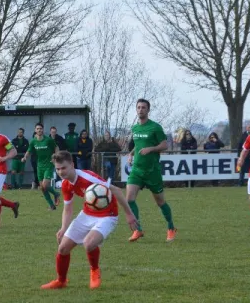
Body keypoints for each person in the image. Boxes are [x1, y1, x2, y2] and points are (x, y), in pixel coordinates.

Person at [40, 151, 138, 290]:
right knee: (62, 248)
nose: (61, 172)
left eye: (64, 168)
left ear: (72, 165)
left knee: (89, 243)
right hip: (87, 214)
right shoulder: (66, 184)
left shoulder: (88, 178)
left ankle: (94, 271)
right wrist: (63, 228)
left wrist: (129, 214)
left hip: (107, 215)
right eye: (58, 169)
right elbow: (68, 209)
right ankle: (61, 281)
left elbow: (116, 190)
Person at [126, 99, 177, 243]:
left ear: (148, 110)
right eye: (138, 107)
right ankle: (138, 230)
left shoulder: (155, 127)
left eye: (143, 107)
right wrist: (130, 154)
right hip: (137, 170)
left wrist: (152, 149)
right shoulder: (135, 128)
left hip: (152, 171)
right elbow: (138, 145)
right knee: (129, 199)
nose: (140, 110)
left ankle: (171, 227)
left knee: (160, 202)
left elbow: (165, 145)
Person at [22, 123, 60, 210]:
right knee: (42, 188)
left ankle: (56, 194)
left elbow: (56, 148)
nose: (39, 130)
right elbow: (29, 151)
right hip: (39, 166)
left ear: (43, 130)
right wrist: (25, 157)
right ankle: (51, 205)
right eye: (37, 129)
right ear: (35, 130)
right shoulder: (33, 141)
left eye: (41, 128)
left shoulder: (48, 140)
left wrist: (55, 157)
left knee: (45, 185)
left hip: (49, 165)